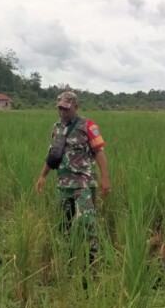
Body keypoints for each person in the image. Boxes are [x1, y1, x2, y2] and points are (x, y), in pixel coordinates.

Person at [35, 91, 111, 264]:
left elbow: (99, 153)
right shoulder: (56, 128)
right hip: (63, 185)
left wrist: (105, 179)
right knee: (63, 224)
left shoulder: (88, 126)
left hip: (83, 184)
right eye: (60, 108)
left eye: (66, 109)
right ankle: (69, 258)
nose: (62, 112)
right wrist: (42, 176)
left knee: (86, 222)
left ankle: (92, 261)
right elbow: (53, 155)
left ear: (76, 107)